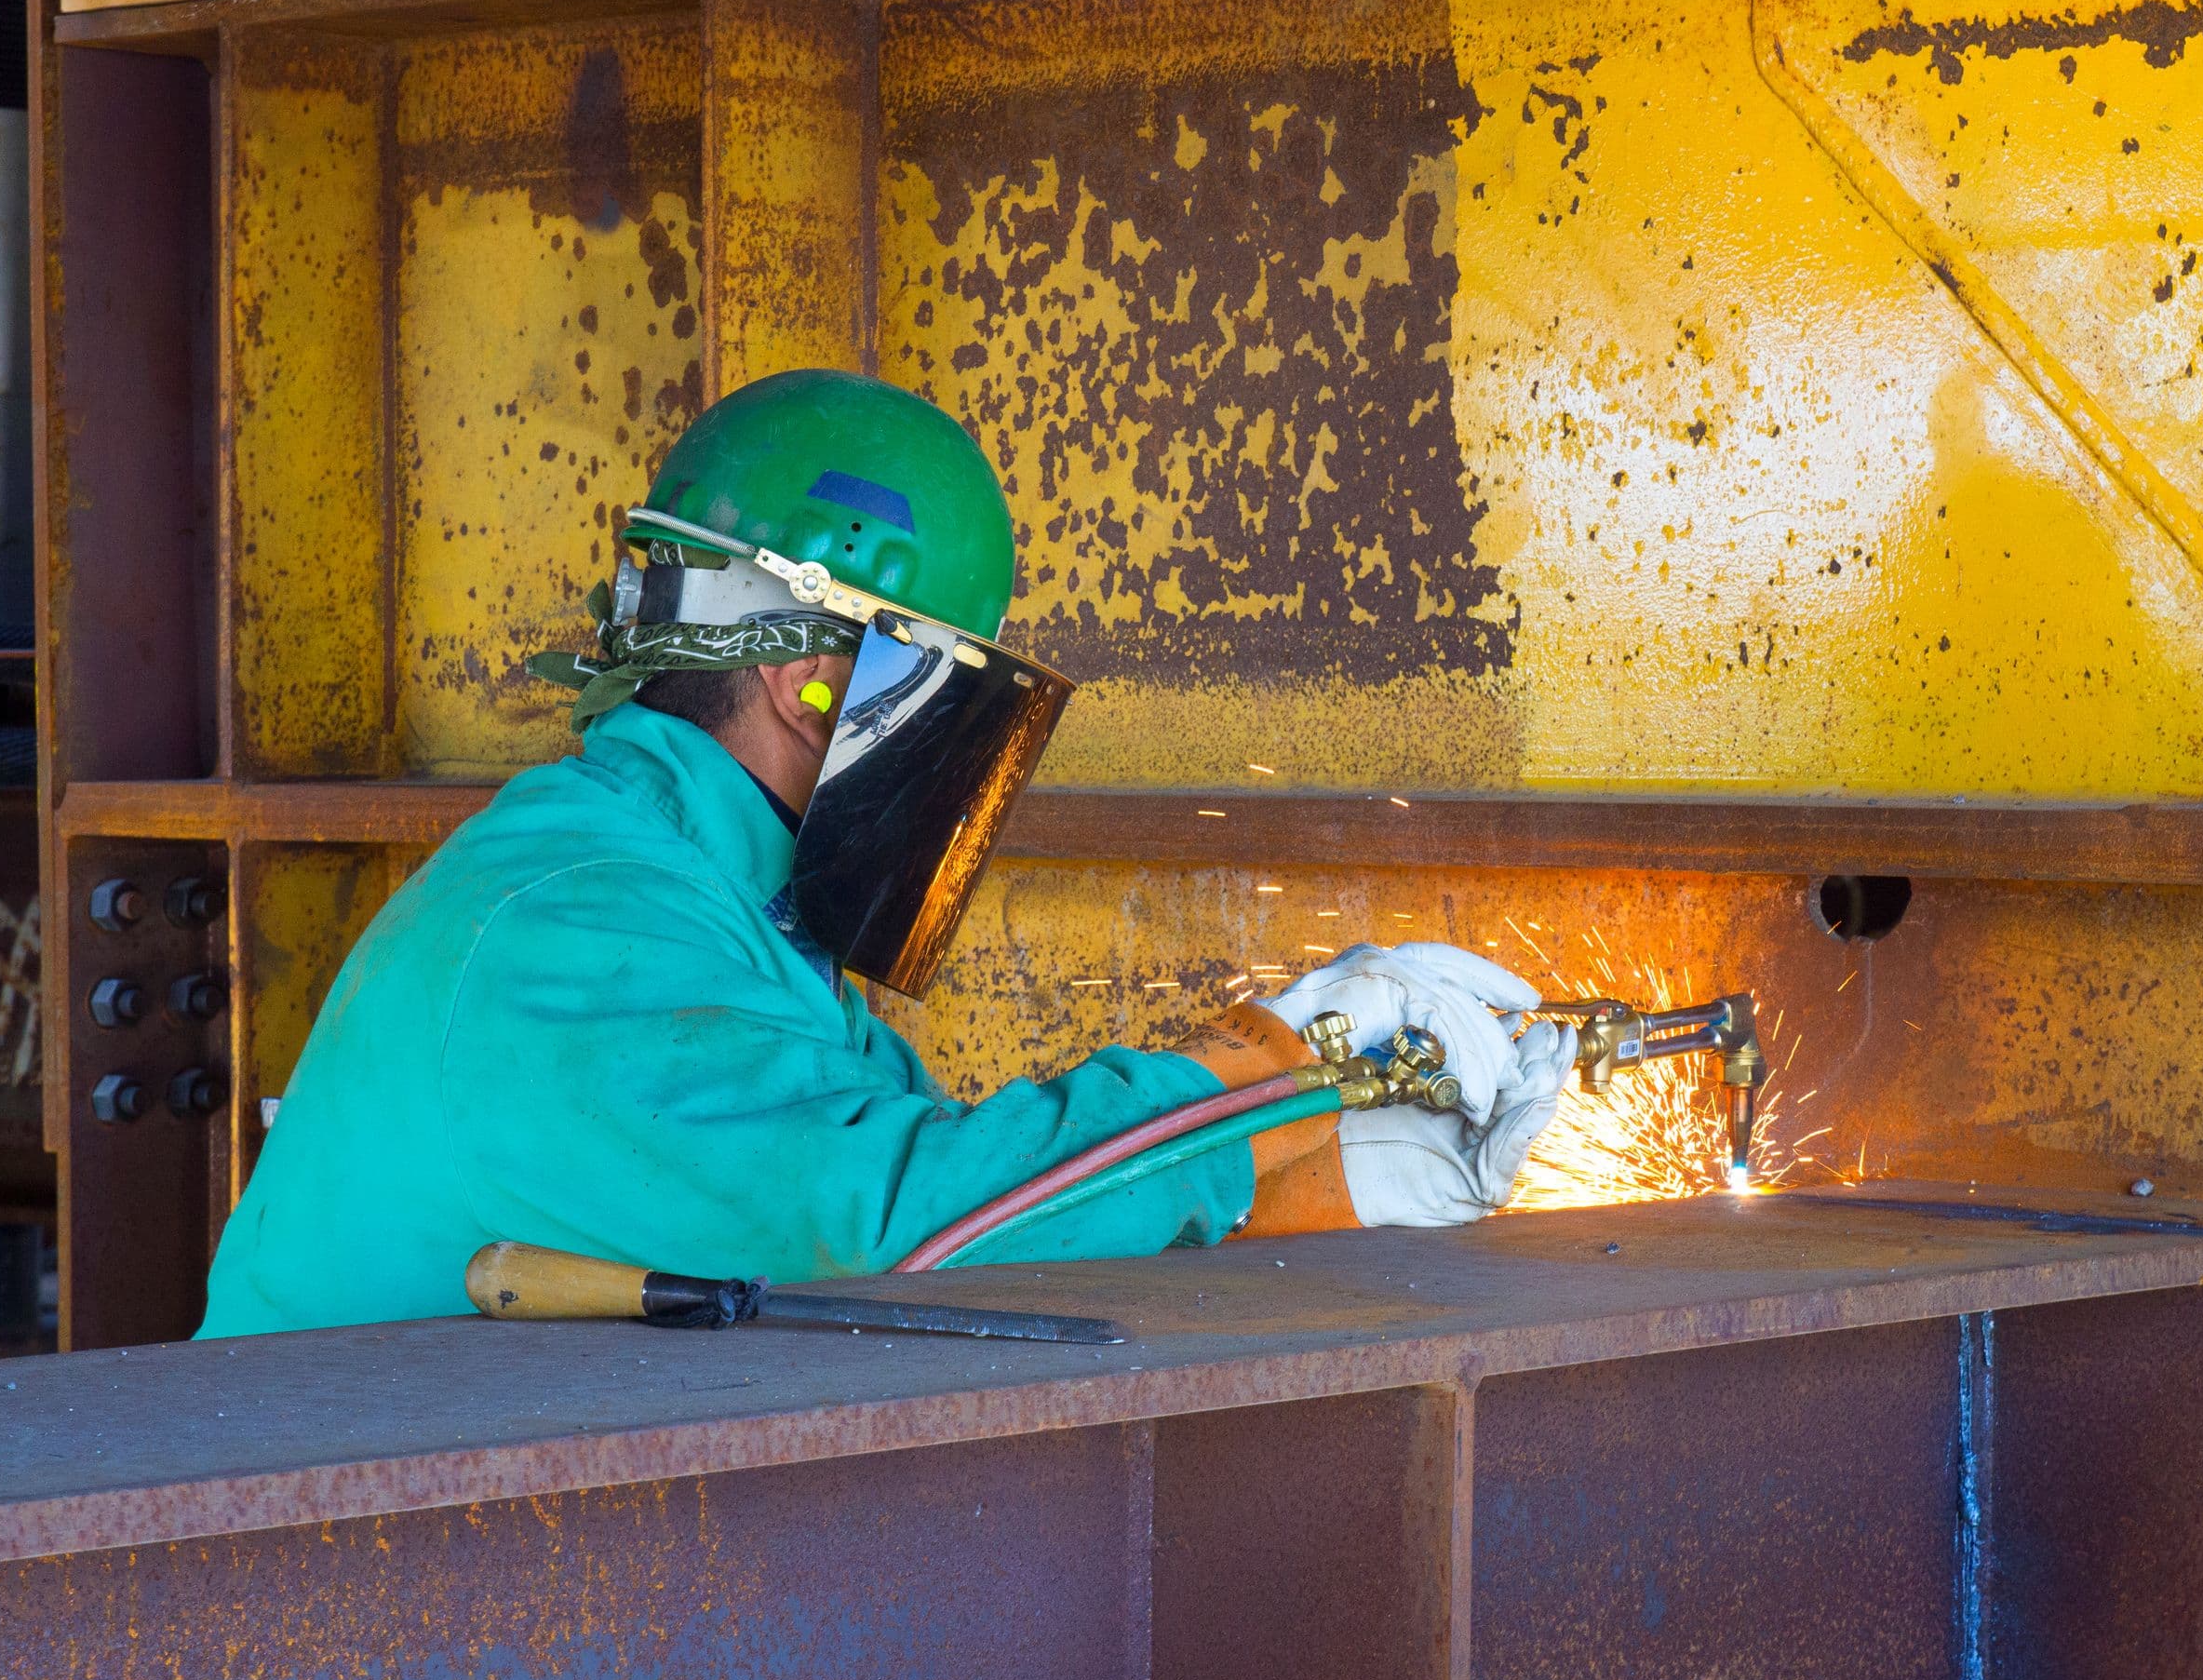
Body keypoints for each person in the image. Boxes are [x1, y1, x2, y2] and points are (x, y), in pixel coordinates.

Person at [199, 370, 1575, 1337]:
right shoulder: (573, 929)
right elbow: (900, 1237)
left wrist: (1334, 1178)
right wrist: (1279, 1069)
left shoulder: (722, 916)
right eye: (953, 700)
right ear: (817, 674)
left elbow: (984, 1217)